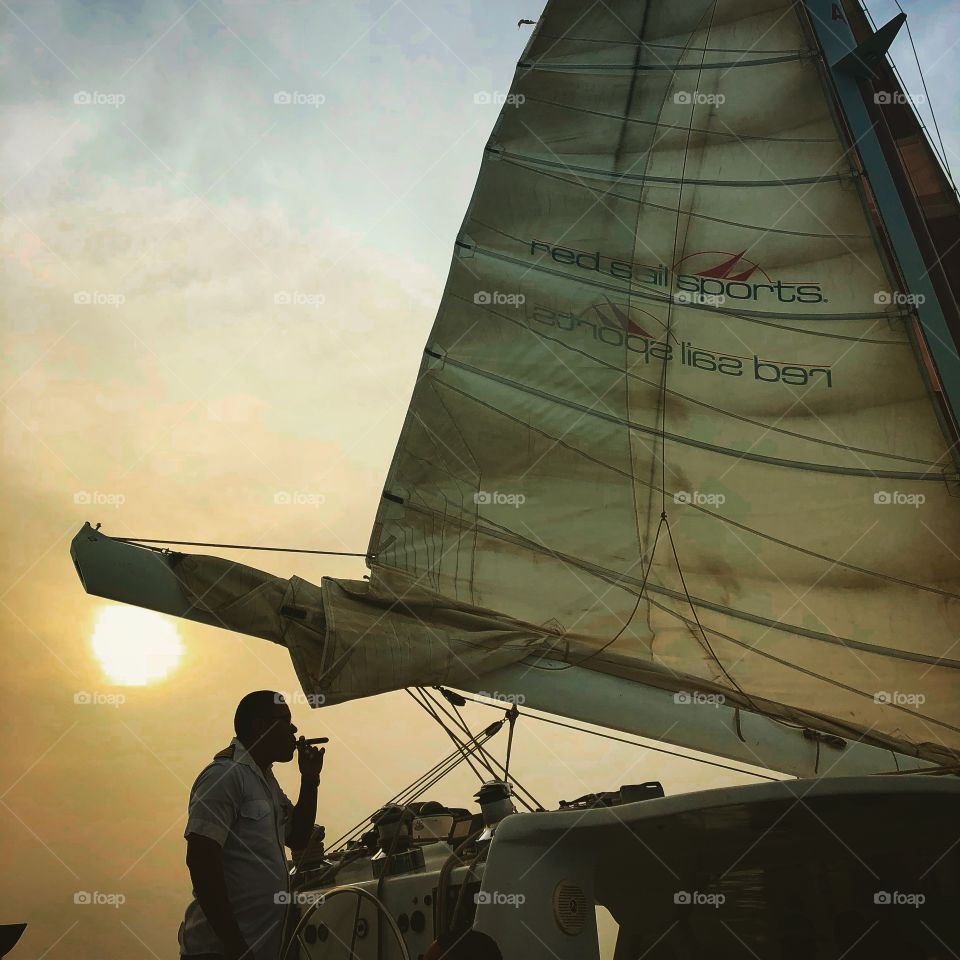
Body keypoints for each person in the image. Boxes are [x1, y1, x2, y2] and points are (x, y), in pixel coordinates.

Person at [178, 691, 325, 960]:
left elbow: (299, 838)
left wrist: (310, 779)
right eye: (286, 721)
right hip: (220, 951)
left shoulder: (265, 779)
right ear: (260, 726)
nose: (294, 729)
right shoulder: (224, 776)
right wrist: (236, 946)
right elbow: (200, 861)